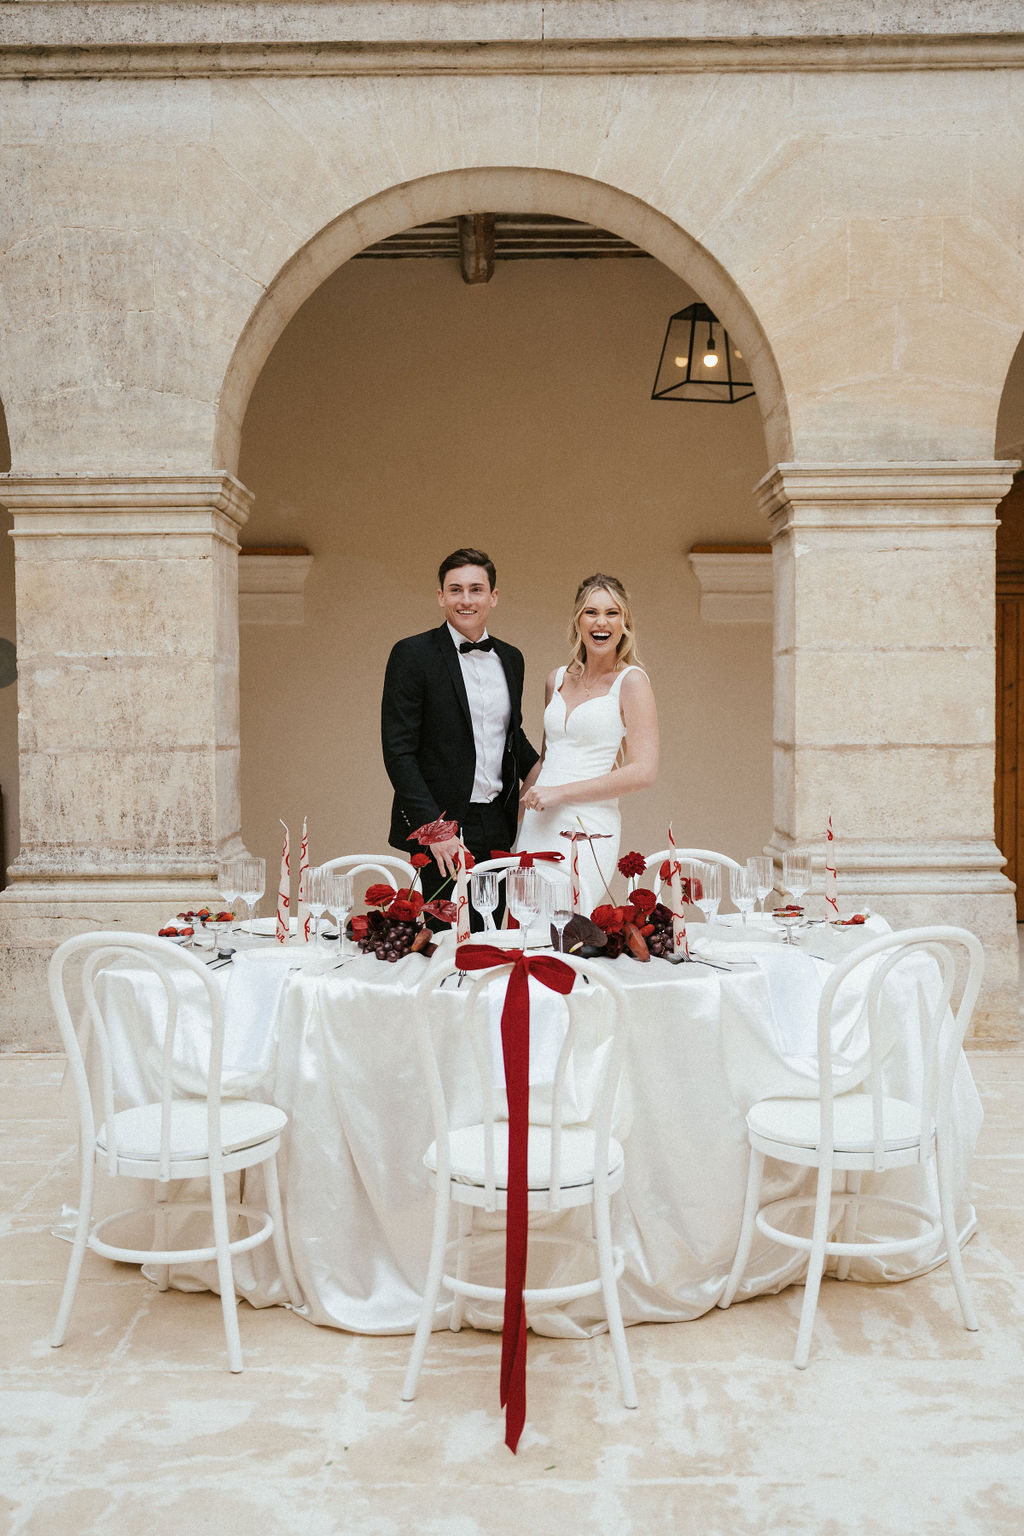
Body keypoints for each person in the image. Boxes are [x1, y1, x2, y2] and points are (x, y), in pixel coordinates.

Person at [381, 548, 539, 915]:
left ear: (493, 597)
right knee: (444, 942)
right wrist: (436, 831)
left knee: (496, 934)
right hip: (439, 824)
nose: (465, 600)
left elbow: (510, 736)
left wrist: (559, 770)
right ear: (440, 596)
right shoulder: (412, 654)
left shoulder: (512, 658)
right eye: (455, 590)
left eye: (476, 589)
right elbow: (398, 750)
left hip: (498, 822)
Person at [517, 573, 658, 917]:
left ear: (625, 622)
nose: (601, 622)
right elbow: (547, 759)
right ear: (578, 620)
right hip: (537, 823)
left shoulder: (632, 682)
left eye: (612, 613)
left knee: (566, 928)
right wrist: (518, 824)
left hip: (587, 826)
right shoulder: (557, 678)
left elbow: (643, 771)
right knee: (525, 926)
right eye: (591, 612)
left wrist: (559, 793)